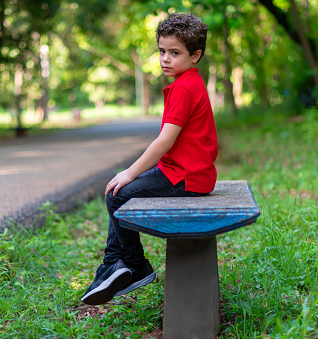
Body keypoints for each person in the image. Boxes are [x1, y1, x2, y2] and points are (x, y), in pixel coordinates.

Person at [81, 12, 218, 305]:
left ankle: (135, 265)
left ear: (196, 55)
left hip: (186, 177)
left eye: (175, 53)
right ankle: (113, 263)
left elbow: (165, 141)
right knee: (118, 189)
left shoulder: (184, 87)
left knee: (117, 195)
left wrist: (131, 172)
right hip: (183, 171)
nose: (165, 59)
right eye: (161, 51)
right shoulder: (188, 81)